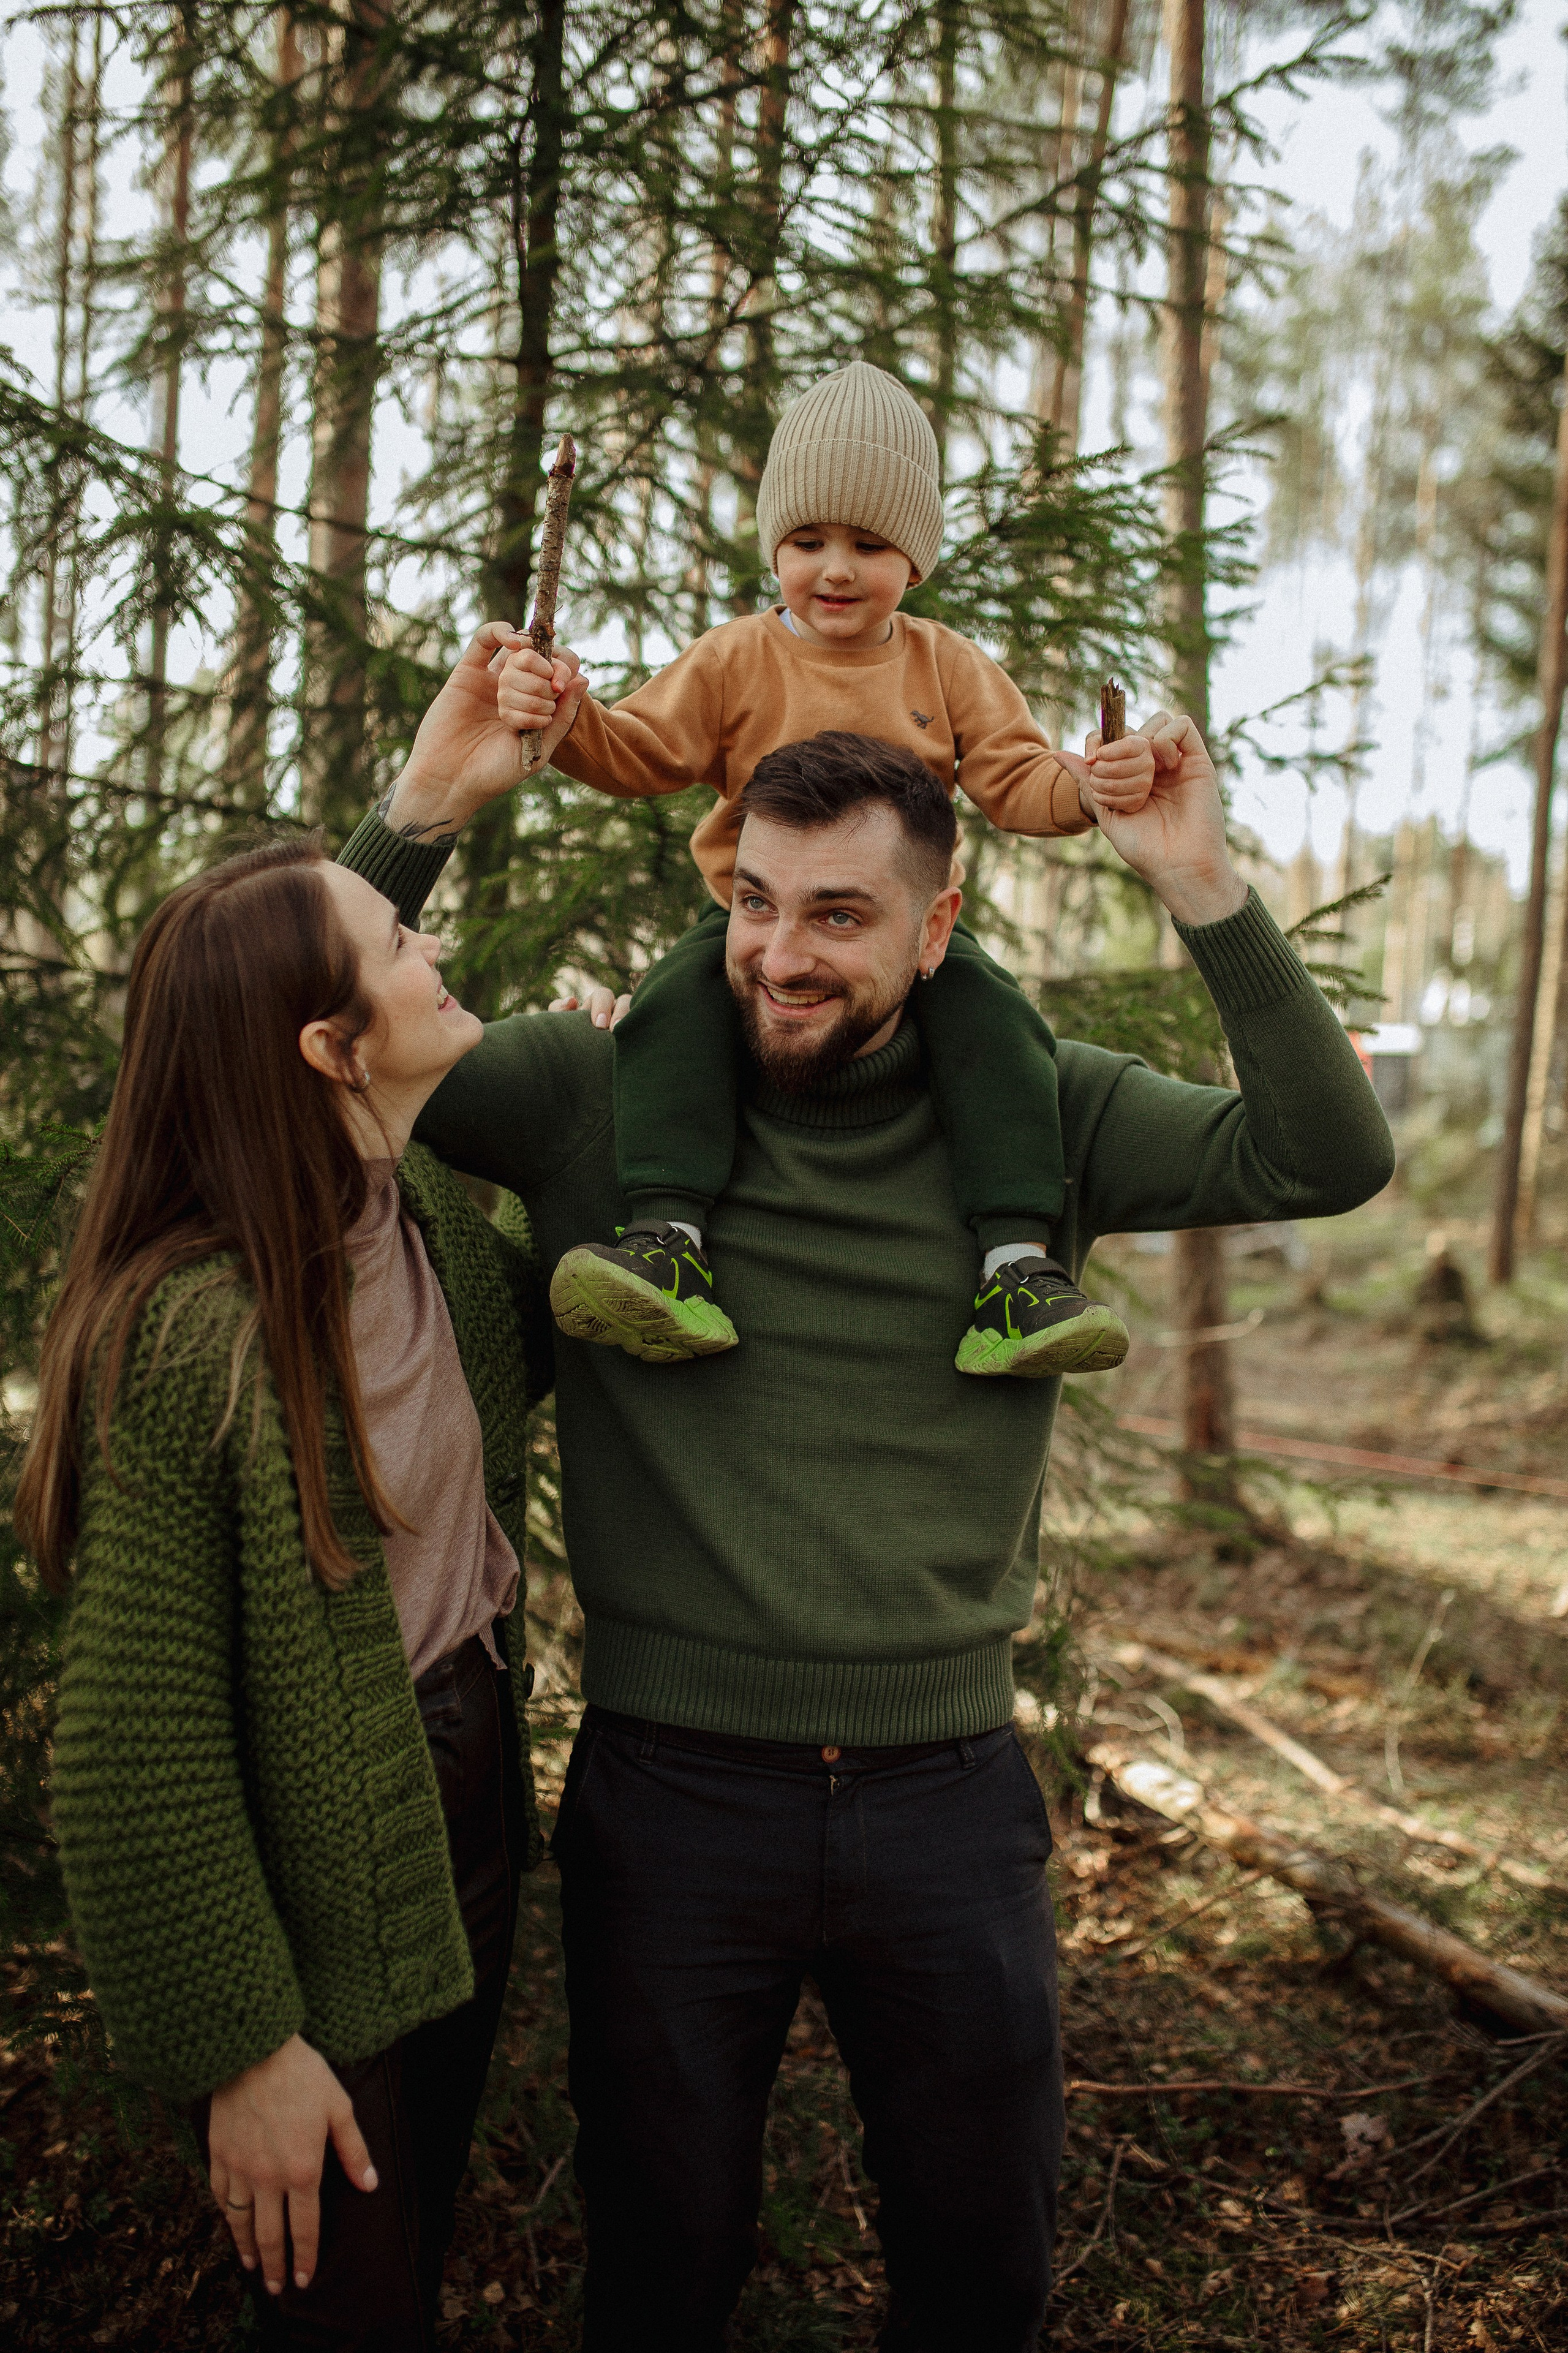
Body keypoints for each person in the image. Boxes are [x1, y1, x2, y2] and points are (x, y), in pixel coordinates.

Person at [341, 632, 1395, 2353]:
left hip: (949, 1802)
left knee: (981, 2264)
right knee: (663, 2262)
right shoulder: (594, 1098)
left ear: (936, 928)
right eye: (756, 902)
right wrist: (435, 795)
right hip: (672, 1797)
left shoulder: (1040, 1118)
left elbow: (1327, 1155)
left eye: (840, 915)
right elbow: (290, 1014)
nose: (780, 953)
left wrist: (1198, 880)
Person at [15, 835, 554, 2349]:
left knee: (416, 2224)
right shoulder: (205, 1331)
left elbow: (543, 1338)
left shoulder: (423, 1214)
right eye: (400, 944)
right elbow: (132, 1750)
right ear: (330, 1045)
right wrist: (245, 2050)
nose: (434, 955)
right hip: (305, 1872)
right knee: (341, 2304)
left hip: (461, 1795)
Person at [492, 361, 1158, 1381]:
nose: (835, 569)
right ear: (775, 548)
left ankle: (1018, 1266)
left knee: (1001, 1029)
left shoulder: (945, 666)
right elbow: (639, 752)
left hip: (903, 942)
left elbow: (1022, 780)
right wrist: (565, 714)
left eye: (868, 544)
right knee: (674, 1009)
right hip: (755, 924)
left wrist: (1093, 788)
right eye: (808, 543)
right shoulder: (736, 661)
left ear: (916, 558)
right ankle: (670, 1240)